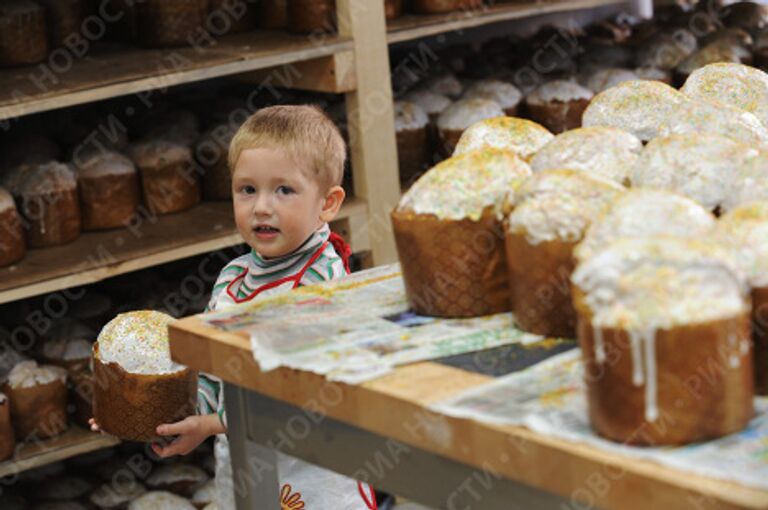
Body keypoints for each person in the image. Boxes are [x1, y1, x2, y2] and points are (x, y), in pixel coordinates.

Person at [93, 105, 375, 509]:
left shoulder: (323, 280)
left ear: (327, 204)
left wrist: (212, 425)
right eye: (247, 190)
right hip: (244, 460)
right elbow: (213, 371)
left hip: (315, 472)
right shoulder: (233, 277)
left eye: (284, 190)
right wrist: (164, 415)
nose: (262, 206)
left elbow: (300, 389)